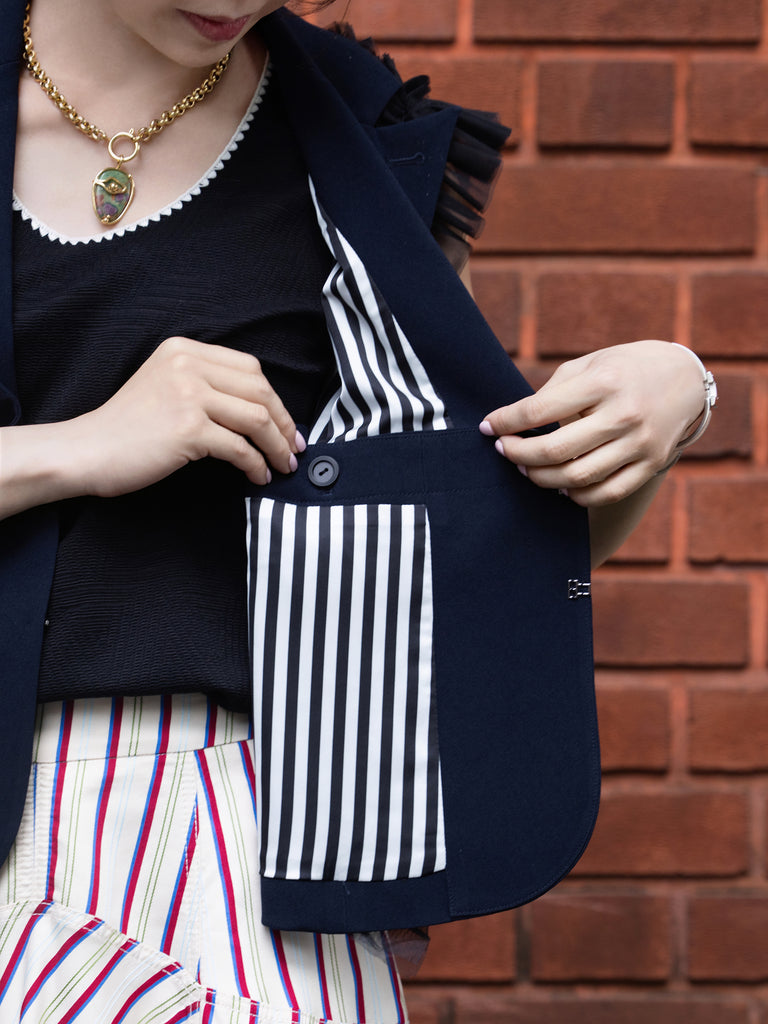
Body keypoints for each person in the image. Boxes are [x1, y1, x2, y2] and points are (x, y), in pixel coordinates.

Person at [0, 0, 715, 1020]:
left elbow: (472, 558)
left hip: (255, 844)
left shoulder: (363, 154)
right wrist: (82, 446)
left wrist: (669, 398)